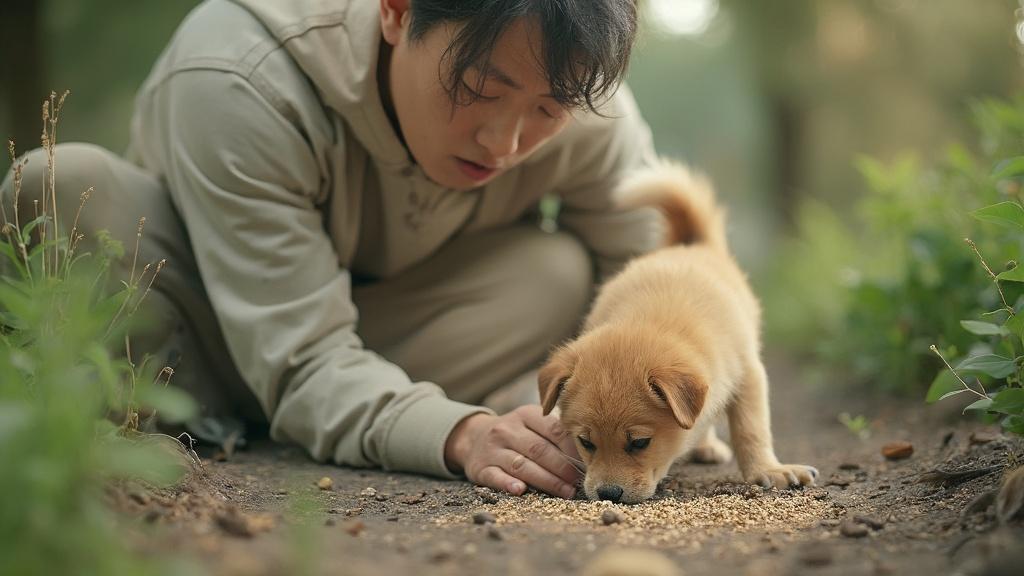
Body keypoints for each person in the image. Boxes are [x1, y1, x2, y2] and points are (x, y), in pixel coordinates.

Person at [1, 0, 659, 499]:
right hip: (197, 334)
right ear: (397, 11)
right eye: (482, 89)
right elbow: (303, 356)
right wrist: (460, 433)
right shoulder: (240, 75)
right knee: (59, 187)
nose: (505, 142)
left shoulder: (583, 102)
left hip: (377, 334)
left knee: (560, 272)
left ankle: (354, 415)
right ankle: (149, 413)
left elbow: (665, 286)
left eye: (547, 110)